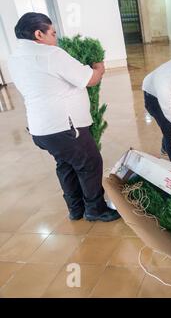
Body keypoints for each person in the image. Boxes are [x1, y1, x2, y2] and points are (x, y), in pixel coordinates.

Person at [8, 13, 121, 222]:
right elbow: (90, 79)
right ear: (38, 34)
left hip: (41, 129)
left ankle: (75, 208)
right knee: (90, 163)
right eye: (52, 33)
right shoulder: (51, 54)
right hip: (64, 128)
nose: (55, 39)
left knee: (65, 164)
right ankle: (95, 209)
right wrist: (99, 66)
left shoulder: (14, 58)